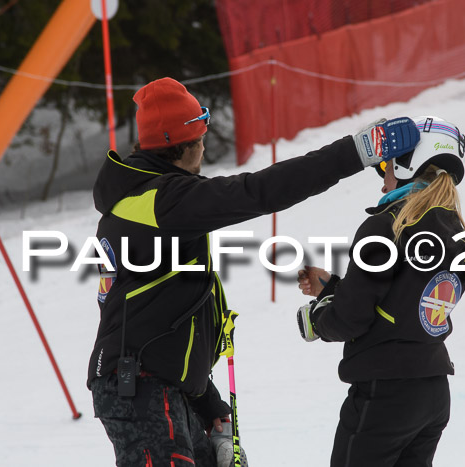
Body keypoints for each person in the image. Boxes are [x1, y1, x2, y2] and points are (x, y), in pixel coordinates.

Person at [87, 76, 421, 466]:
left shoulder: (143, 199)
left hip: (150, 384)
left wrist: (203, 397)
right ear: (185, 143)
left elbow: (150, 316)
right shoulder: (164, 202)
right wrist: (358, 151)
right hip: (141, 390)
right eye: (200, 135)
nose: (205, 146)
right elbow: (259, 191)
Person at [297, 115, 465, 467]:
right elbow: (403, 300)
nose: (383, 182)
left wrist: (319, 318)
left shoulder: (386, 226)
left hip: (386, 394)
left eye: (387, 169)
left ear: (410, 165)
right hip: (432, 390)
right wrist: (332, 287)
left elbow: (350, 318)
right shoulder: (457, 232)